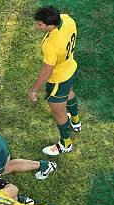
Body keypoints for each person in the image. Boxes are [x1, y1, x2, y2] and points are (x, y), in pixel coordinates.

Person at [29, 6, 81, 155]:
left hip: (58, 79)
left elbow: (47, 71)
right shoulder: (67, 20)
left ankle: (65, 143)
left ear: (50, 25)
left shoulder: (51, 45)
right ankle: (76, 122)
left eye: (40, 24)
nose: (37, 27)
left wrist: (34, 90)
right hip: (71, 67)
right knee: (69, 93)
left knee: (59, 113)